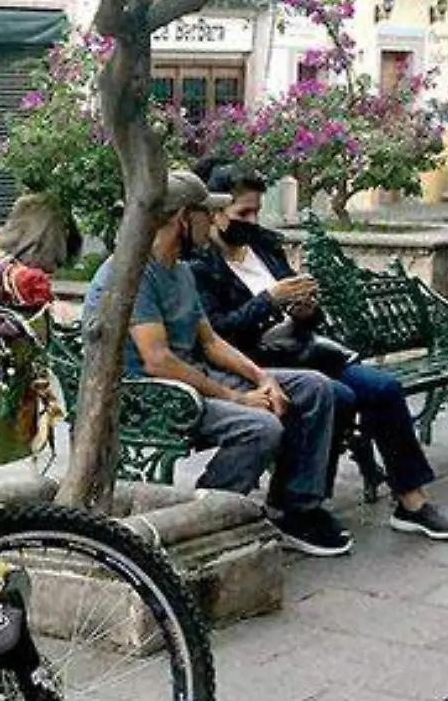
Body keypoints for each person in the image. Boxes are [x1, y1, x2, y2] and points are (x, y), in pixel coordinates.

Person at [82, 171, 353, 556]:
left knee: (314, 387)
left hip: (193, 379)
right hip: (151, 395)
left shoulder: (179, 268)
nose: (212, 221)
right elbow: (158, 361)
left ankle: (294, 509)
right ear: (182, 218)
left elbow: (209, 341)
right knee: (260, 426)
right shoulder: (132, 273)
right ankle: (203, 515)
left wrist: (261, 377)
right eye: (207, 214)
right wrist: (239, 398)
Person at [188, 166, 448, 541]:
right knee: (336, 395)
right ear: (217, 212)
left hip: (302, 352)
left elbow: (304, 309)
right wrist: (268, 300)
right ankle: (296, 505)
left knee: (383, 388)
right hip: (254, 362)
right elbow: (218, 332)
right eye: (243, 214)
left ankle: (412, 501)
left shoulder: (264, 247)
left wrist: (305, 308)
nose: (252, 221)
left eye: (256, 211)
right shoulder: (200, 265)